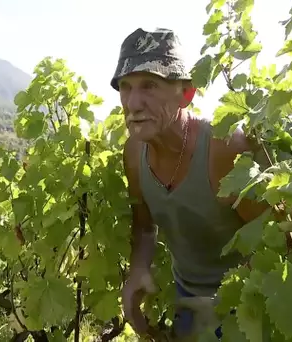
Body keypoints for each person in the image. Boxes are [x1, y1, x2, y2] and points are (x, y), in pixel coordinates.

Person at [110, 28, 271, 339]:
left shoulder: (226, 151)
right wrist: (139, 269)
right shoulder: (132, 154)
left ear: (186, 94)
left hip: (247, 308)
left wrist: (221, 307)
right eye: (125, 87)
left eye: (150, 85)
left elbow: (277, 246)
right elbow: (144, 226)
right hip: (186, 298)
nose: (133, 103)